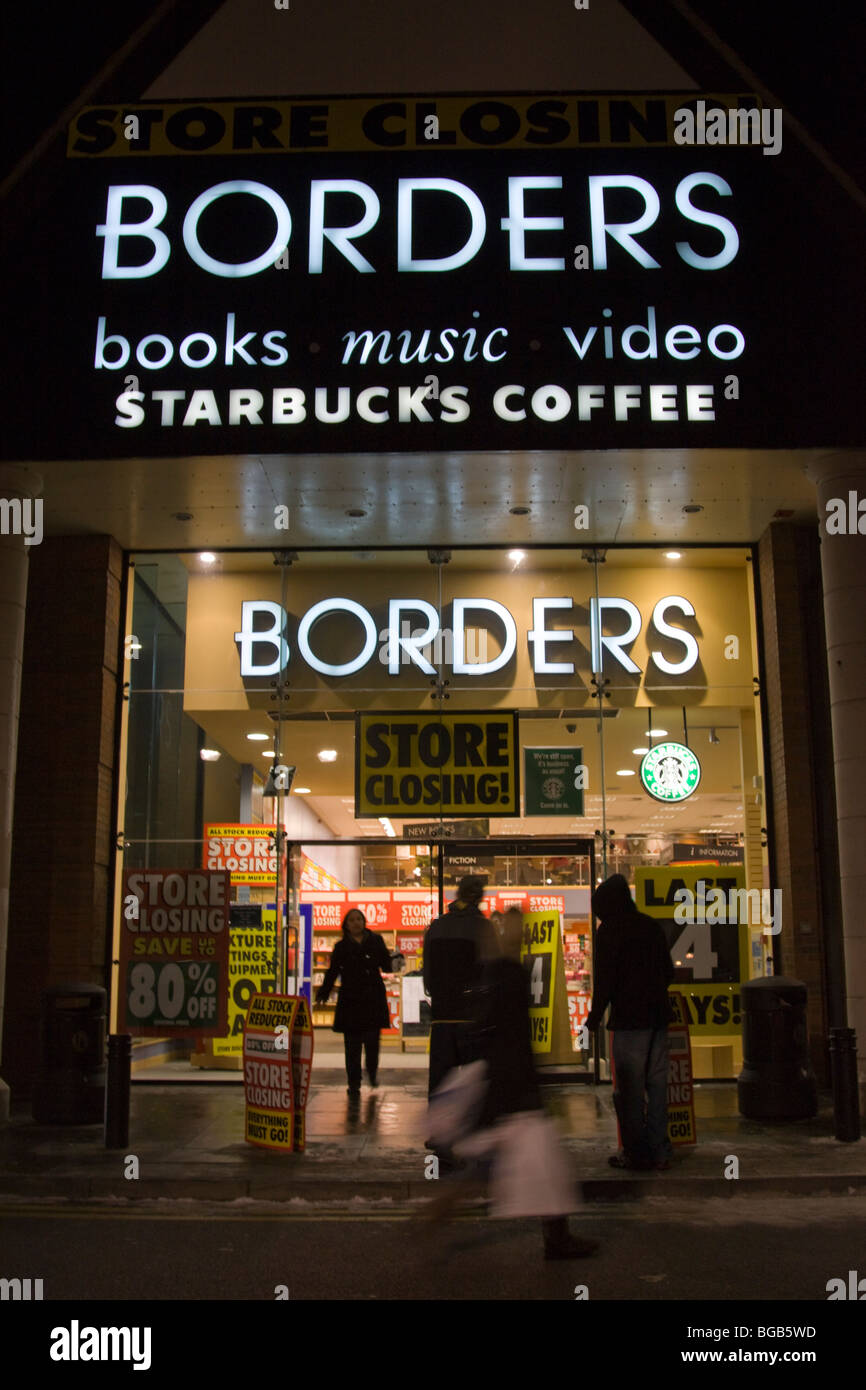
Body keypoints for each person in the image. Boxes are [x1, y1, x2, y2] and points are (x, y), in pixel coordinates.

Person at [424, 906, 599, 1259]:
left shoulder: (494, 974)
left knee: (496, 1168)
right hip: (513, 1091)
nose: (521, 933)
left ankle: (432, 1217)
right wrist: (524, 1085)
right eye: (515, 928)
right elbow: (513, 1038)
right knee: (542, 1167)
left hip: (505, 1087)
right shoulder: (509, 974)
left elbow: (497, 1034)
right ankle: (556, 1239)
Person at [585, 873, 675, 1171]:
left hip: (628, 1021)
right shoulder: (650, 926)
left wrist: (594, 1018)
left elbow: (605, 981)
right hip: (658, 1018)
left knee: (630, 1091)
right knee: (657, 1085)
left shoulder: (609, 932)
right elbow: (668, 972)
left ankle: (636, 1153)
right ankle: (660, 1149)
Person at [422, 875, 497, 1101]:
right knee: (476, 1082)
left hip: (443, 1015)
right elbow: (491, 971)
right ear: (480, 896)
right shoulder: (484, 927)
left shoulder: (437, 926)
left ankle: (438, 1131)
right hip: (475, 1017)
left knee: (441, 1080)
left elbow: (428, 975)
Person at [315, 908, 392, 1095]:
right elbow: (333, 971)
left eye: (359, 919)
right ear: (346, 925)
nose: (356, 922)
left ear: (364, 921)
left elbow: (387, 965)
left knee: (373, 1042)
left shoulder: (376, 941)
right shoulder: (341, 947)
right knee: (352, 1045)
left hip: (372, 997)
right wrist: (323, 994)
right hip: (351, 999)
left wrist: (393, 959)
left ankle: (372, 1073)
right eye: (352, 920)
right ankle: (354, 1082)